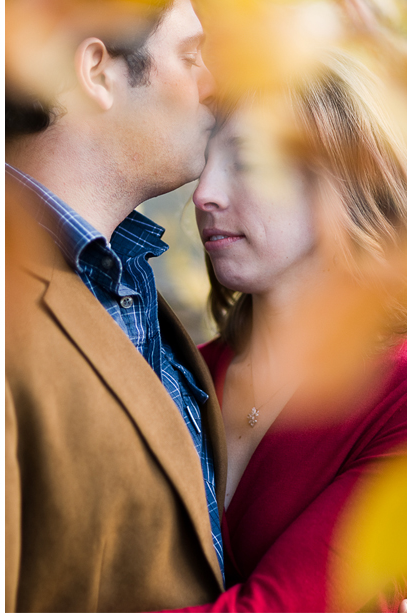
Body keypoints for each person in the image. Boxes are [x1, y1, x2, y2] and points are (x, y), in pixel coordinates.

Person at [5, 0, 227, 609]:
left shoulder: (124, 271)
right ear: (98, 72)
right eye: (188, 55)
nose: (209, 82)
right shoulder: (9, 315)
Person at [184, 52, 407, 611]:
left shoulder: (397, 396)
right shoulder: (181, 372)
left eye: (247, 162)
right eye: (205, 160)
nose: (203, 193)